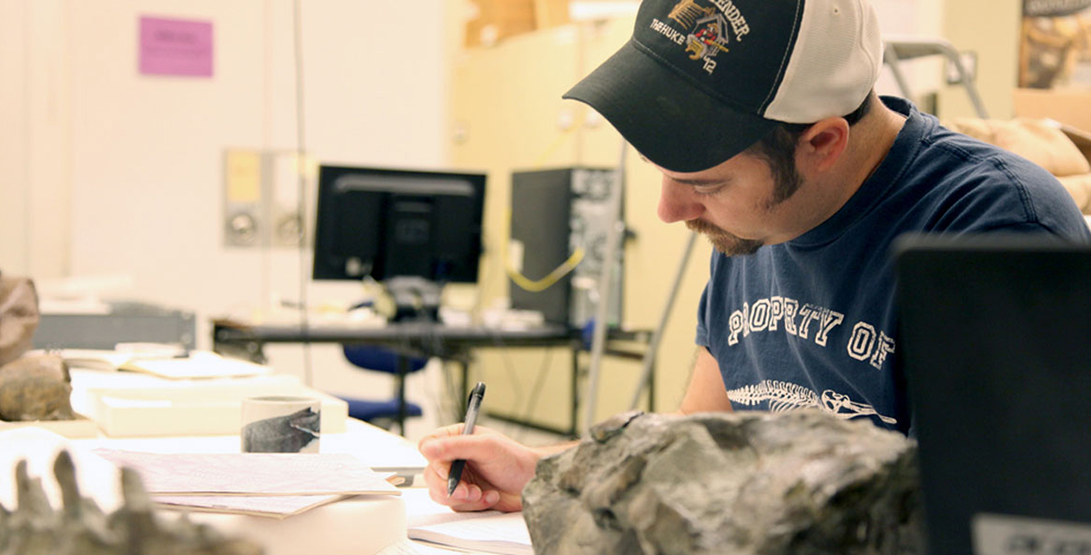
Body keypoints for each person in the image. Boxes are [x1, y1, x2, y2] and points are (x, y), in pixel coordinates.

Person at [419, 0, 1091, 513]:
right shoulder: (752, 220)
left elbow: (977, 523)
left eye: (704, 183)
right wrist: (539, 473)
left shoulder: (995, 228)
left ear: (822, 142)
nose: (670, 210)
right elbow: (701, 435)